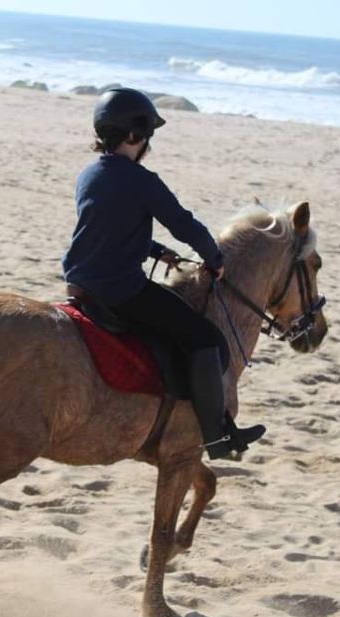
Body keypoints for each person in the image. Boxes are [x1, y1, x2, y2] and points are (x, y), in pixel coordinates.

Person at [61, 87, 265, 459]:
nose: (148, 146)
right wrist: (214, 257)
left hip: (81, 282)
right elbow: (183, 223)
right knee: (204, 336)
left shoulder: (89, 175)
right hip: (120, 290)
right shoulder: (141, 179)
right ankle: (216, 437)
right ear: (134, 136)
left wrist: (155, 251)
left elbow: (106, 227)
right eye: (147, 138)